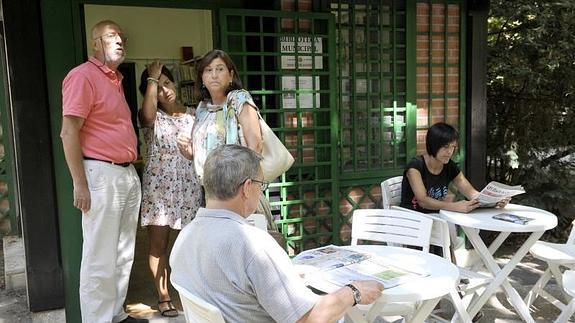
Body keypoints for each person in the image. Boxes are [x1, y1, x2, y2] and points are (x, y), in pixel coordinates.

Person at [170, 144, 384, 322]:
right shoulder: (253, 244)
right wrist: (353, 292)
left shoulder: (184, 237)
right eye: (261, 185)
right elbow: (308, 318)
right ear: (246, 188)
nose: (260, 192)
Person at [60, 20, 146, 323]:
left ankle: (115, 315)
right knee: (99, 256)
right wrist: (79, 183)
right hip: (100, 173)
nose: (120, 41)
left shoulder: (114, 79)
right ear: (96, 44)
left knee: (123, 252)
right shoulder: (82, 76)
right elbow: (69, 132)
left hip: (125, 174)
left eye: (121, 36)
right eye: (111, 37)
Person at [177, 49, 277, 232]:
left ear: (231, 75)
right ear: (202, 78)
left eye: (220, 69)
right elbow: (201, 154)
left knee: (248, 248)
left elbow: (256, 144)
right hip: (210, 192)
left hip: (239, 191)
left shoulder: (239, 99)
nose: (214, 75)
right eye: (208, 70)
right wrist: (188, 151)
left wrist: (247, 188)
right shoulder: (201, 108)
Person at [137, 60, 202, 317]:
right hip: (159, 190)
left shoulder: (195, 114)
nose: (165, 90)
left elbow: (203, 150)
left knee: (191, 244)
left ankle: (194, 293)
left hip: (189, 188)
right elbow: (148, 114)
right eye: (157, 86)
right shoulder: (151, 119)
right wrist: (152, 78)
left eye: (167, 82)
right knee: (158, 245)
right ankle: (164, 297)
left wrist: (192, 152)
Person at [400, 122, 509, 214]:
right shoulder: (415, 167)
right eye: (445, 147)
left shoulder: (449, 166)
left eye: (453, 147)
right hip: (413, 222)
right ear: (433, 144)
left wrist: (494, 201)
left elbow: (472, 194)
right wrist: (454, 206)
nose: (449, 152)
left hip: (438, 219)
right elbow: (423, 201)